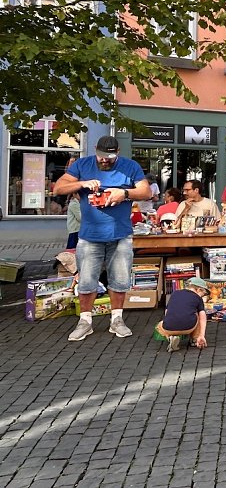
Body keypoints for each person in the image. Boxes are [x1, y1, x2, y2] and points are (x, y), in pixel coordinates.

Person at [53, 135, 150, 342]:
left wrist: (123, 194)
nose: (105, 160)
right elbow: (58, 188)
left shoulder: (130, 166)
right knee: (87, 280)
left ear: (118, 152)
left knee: (120, 279)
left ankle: (117, 320)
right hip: (90, 236)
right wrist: (82, 183)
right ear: (95, 149)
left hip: (121, 234)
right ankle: (85, 322)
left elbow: (146, 191)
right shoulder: (82, 165)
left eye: (110, 157)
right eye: (102, 156)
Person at [157, 276, 209, 352]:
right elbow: (202, 318)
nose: (203, 296)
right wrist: (201, 335)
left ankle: (171, 337)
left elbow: (167, 312)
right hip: (188, 327)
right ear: (198, 290)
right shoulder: (198, 298)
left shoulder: (174, 294)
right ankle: (195, 339)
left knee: (159, 325)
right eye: (203, 294)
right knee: (197, 314)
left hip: (168, 327)